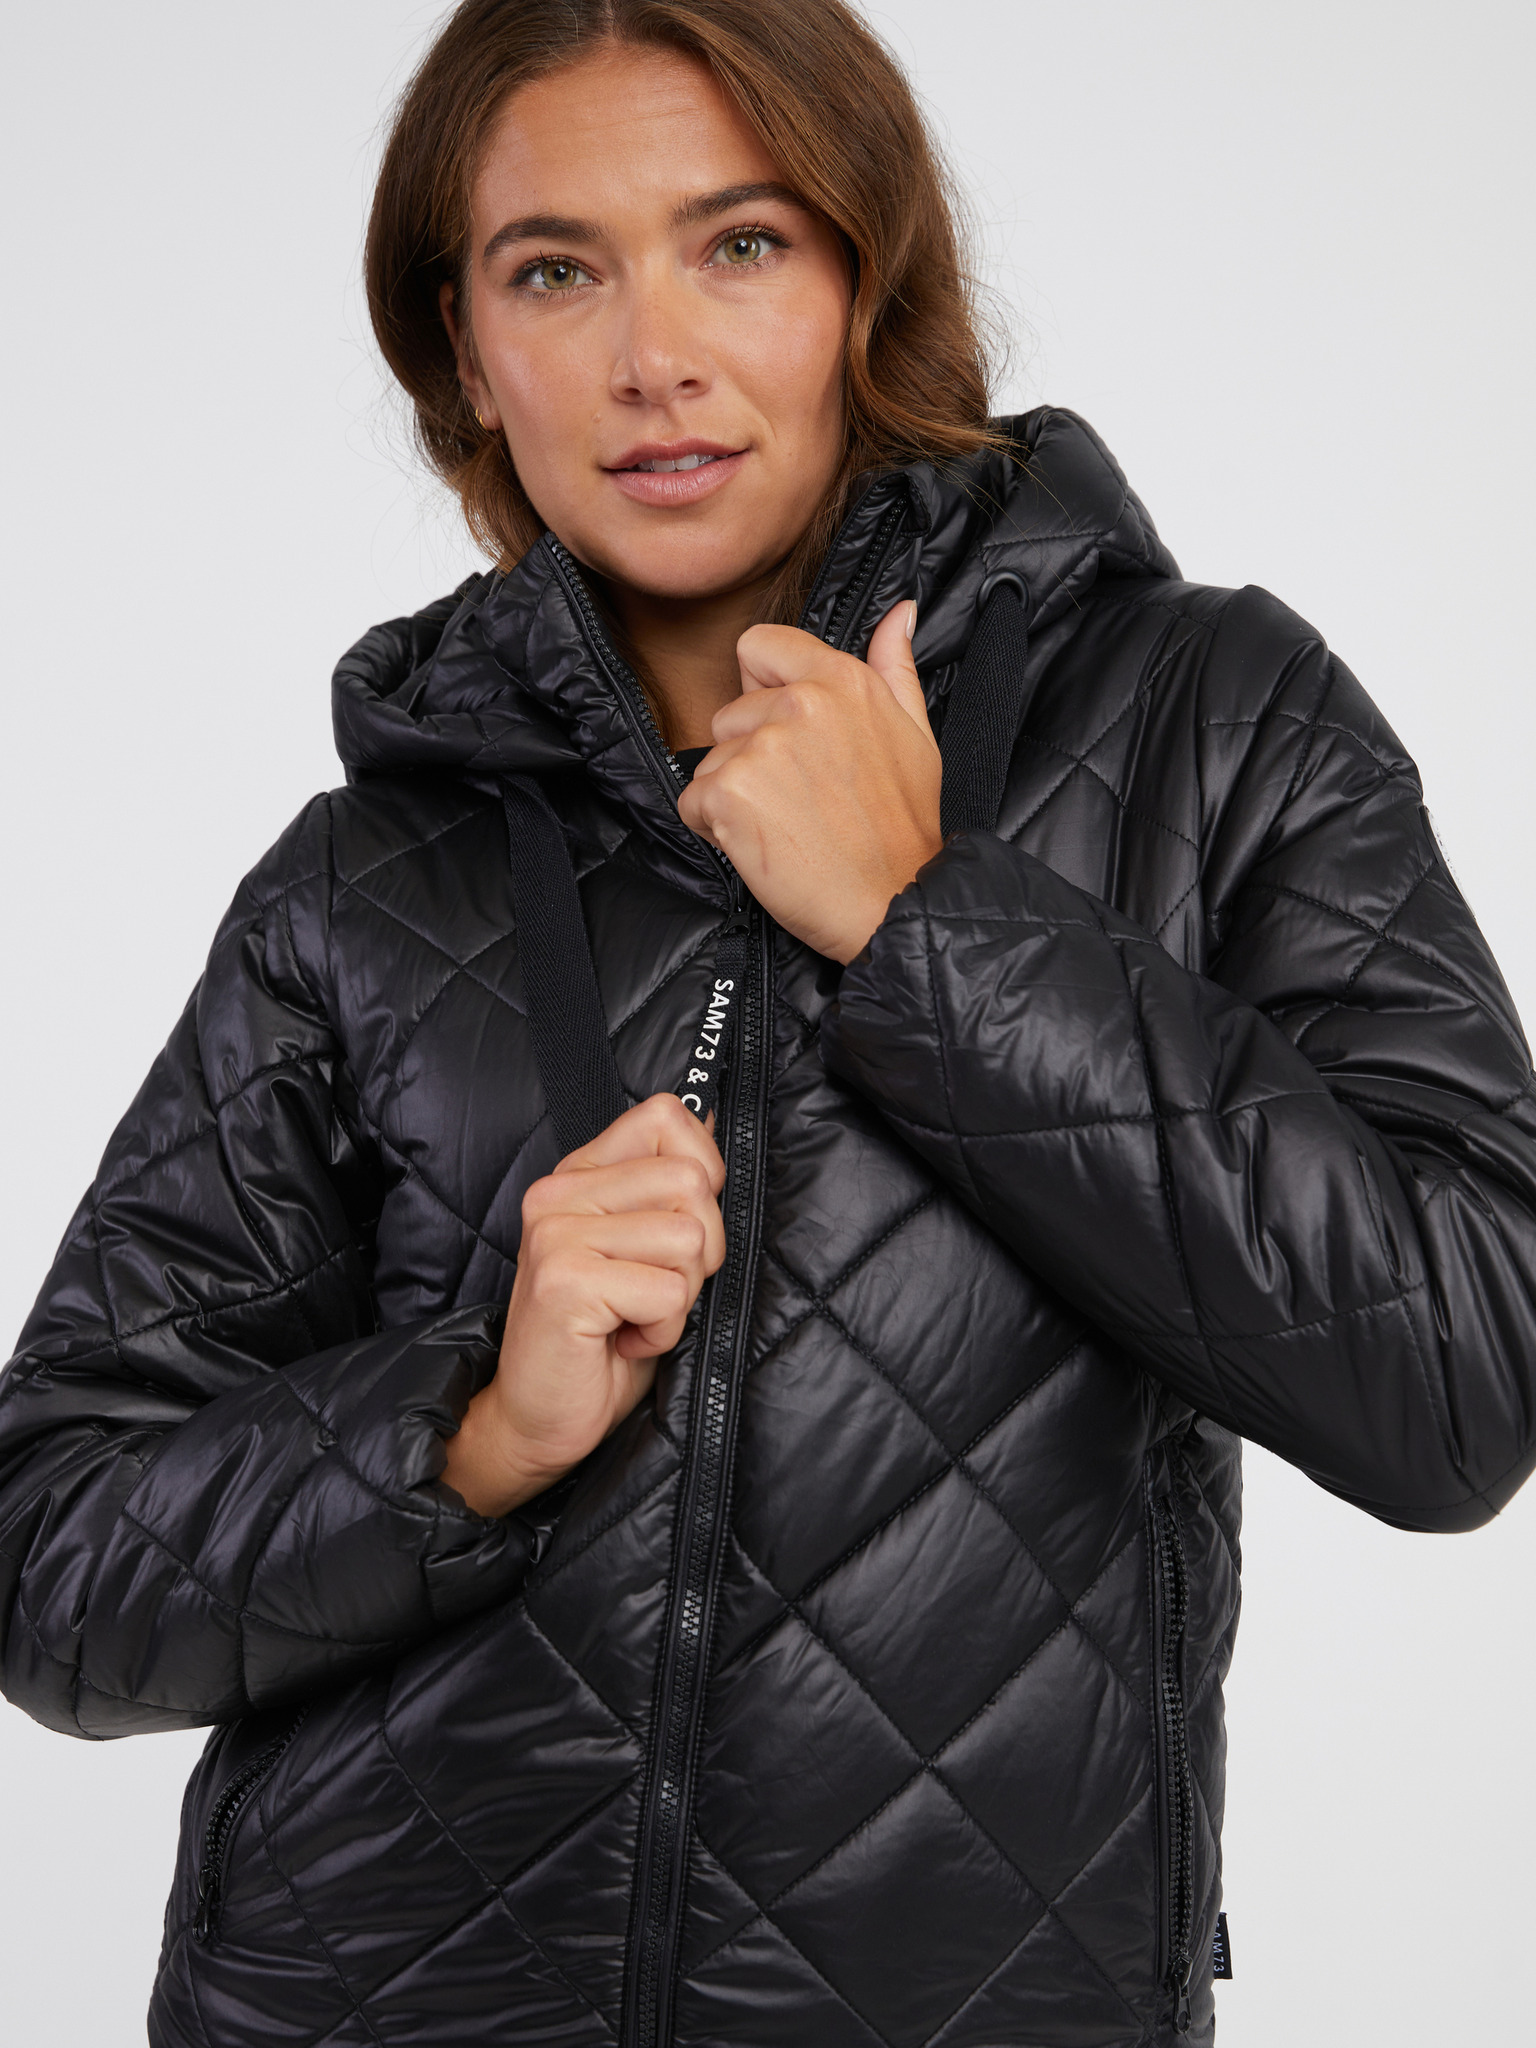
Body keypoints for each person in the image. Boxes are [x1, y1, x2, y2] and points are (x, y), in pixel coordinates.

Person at [3, 0, 1534, 2043]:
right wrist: (467, 1431)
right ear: (465, 344)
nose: (654, 357)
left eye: (740, 243)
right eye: (556, 271)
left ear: (866, 278)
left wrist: (927, 927)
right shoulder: (369, 876)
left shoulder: (1210, 722)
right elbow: (55, 1564)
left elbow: (1463, 1372)